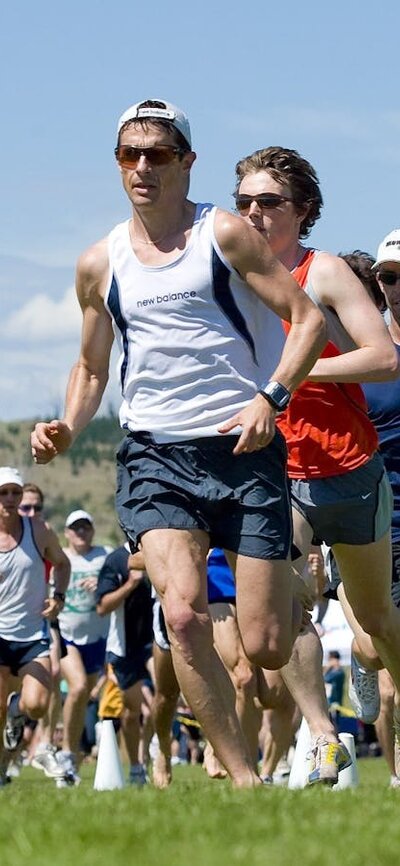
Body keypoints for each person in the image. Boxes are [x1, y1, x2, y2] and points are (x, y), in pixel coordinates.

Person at [31, 97, 326, 787]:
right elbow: (93, 366)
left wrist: (271, 398)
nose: (141, 167)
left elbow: (306, 320)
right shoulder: (98, 263)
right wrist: (70, 426)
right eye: (129, 154)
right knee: (185, 614)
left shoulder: (222, 235)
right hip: (155, 454)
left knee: (266, 647)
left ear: (186, 163)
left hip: (245, 449)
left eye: (158, 154)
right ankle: (244, 778)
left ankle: (291, 603)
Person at [234, 146, 400, 785]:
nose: (253, 213)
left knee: (376, 619)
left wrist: (296, 372)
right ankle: (326, 737)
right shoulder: (230, 276)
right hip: (274, 467)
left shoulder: (324, 271)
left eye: (268, 202)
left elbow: (383, 358)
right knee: (281, 609)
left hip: (349, 467)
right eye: (244, 201)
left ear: (302, 211)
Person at [0, 467, 70, 786]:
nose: (10, 499)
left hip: (32, 634)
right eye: (4, 493)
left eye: (15, 492)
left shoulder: (38, 530)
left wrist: (58, 596)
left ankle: (19, 711)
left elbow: (62, 563)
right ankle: (2, 770)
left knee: (38, 705)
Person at [56, 509, 112, 785]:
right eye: (75, 528)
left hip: (98, 637)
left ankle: (73, 760)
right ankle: (66, 753)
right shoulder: (59, 559)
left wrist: (102, 585)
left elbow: (122, 582)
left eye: (85, 527)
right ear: (66, 533)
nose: (80, 532)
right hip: (66, 635)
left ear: (92, 530)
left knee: (84, 698)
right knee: (77, 688)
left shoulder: (105, 554)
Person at [96, 543, 153, 785]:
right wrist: (130, 585)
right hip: (124, 649)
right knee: (132, 712)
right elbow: (102, 607)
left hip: (156, 642)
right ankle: (137, 766)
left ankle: (157, 756)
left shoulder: (164, 551)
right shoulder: (116, 560)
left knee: (161, 701)